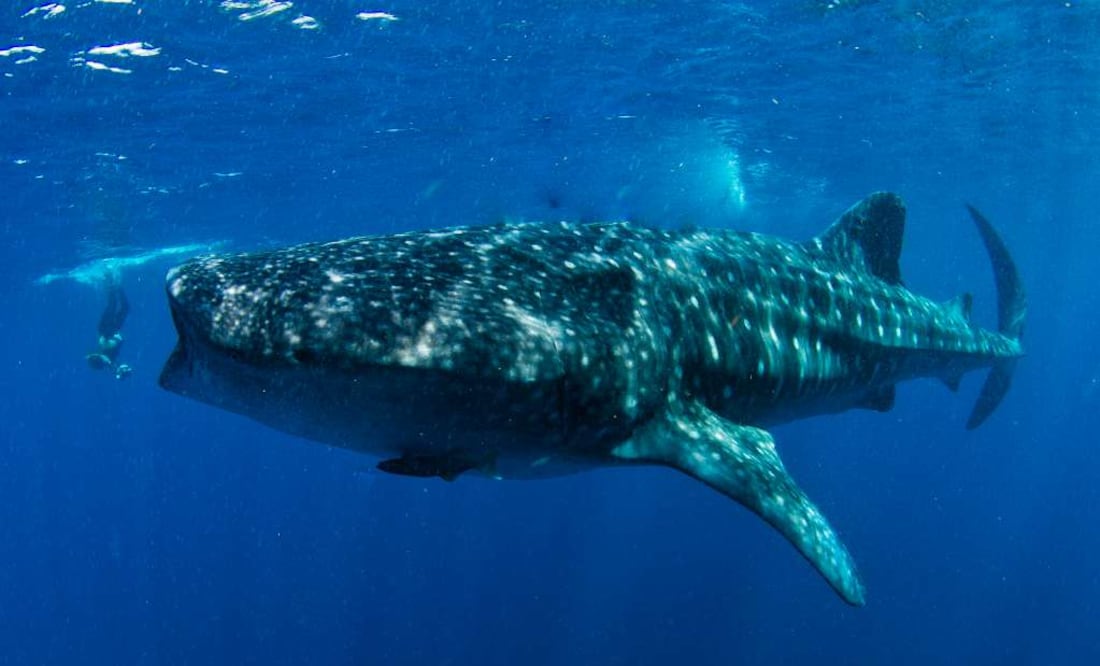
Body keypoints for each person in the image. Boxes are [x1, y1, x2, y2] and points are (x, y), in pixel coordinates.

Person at [86, 275, 133, 380]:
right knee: (125, 307)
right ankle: (117, 284)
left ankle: (108, 278)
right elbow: (114, 367)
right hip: (114, 329)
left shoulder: (102, 352)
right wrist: (121, 371)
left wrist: (118, 371)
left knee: (112, 304)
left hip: (105, 327)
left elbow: (90, 356)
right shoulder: (111, 360)